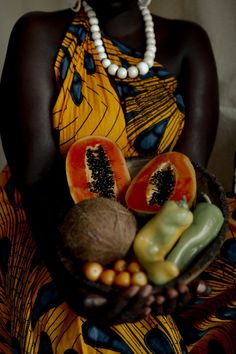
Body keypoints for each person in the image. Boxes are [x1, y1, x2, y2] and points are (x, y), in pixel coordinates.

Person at [0, 0, 235, 352]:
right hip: (54, 230)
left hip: (161, 231)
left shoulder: (189, 42)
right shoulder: (38, 33)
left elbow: (186, 181)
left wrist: (181, 270)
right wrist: (74, 287)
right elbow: (35, 184)